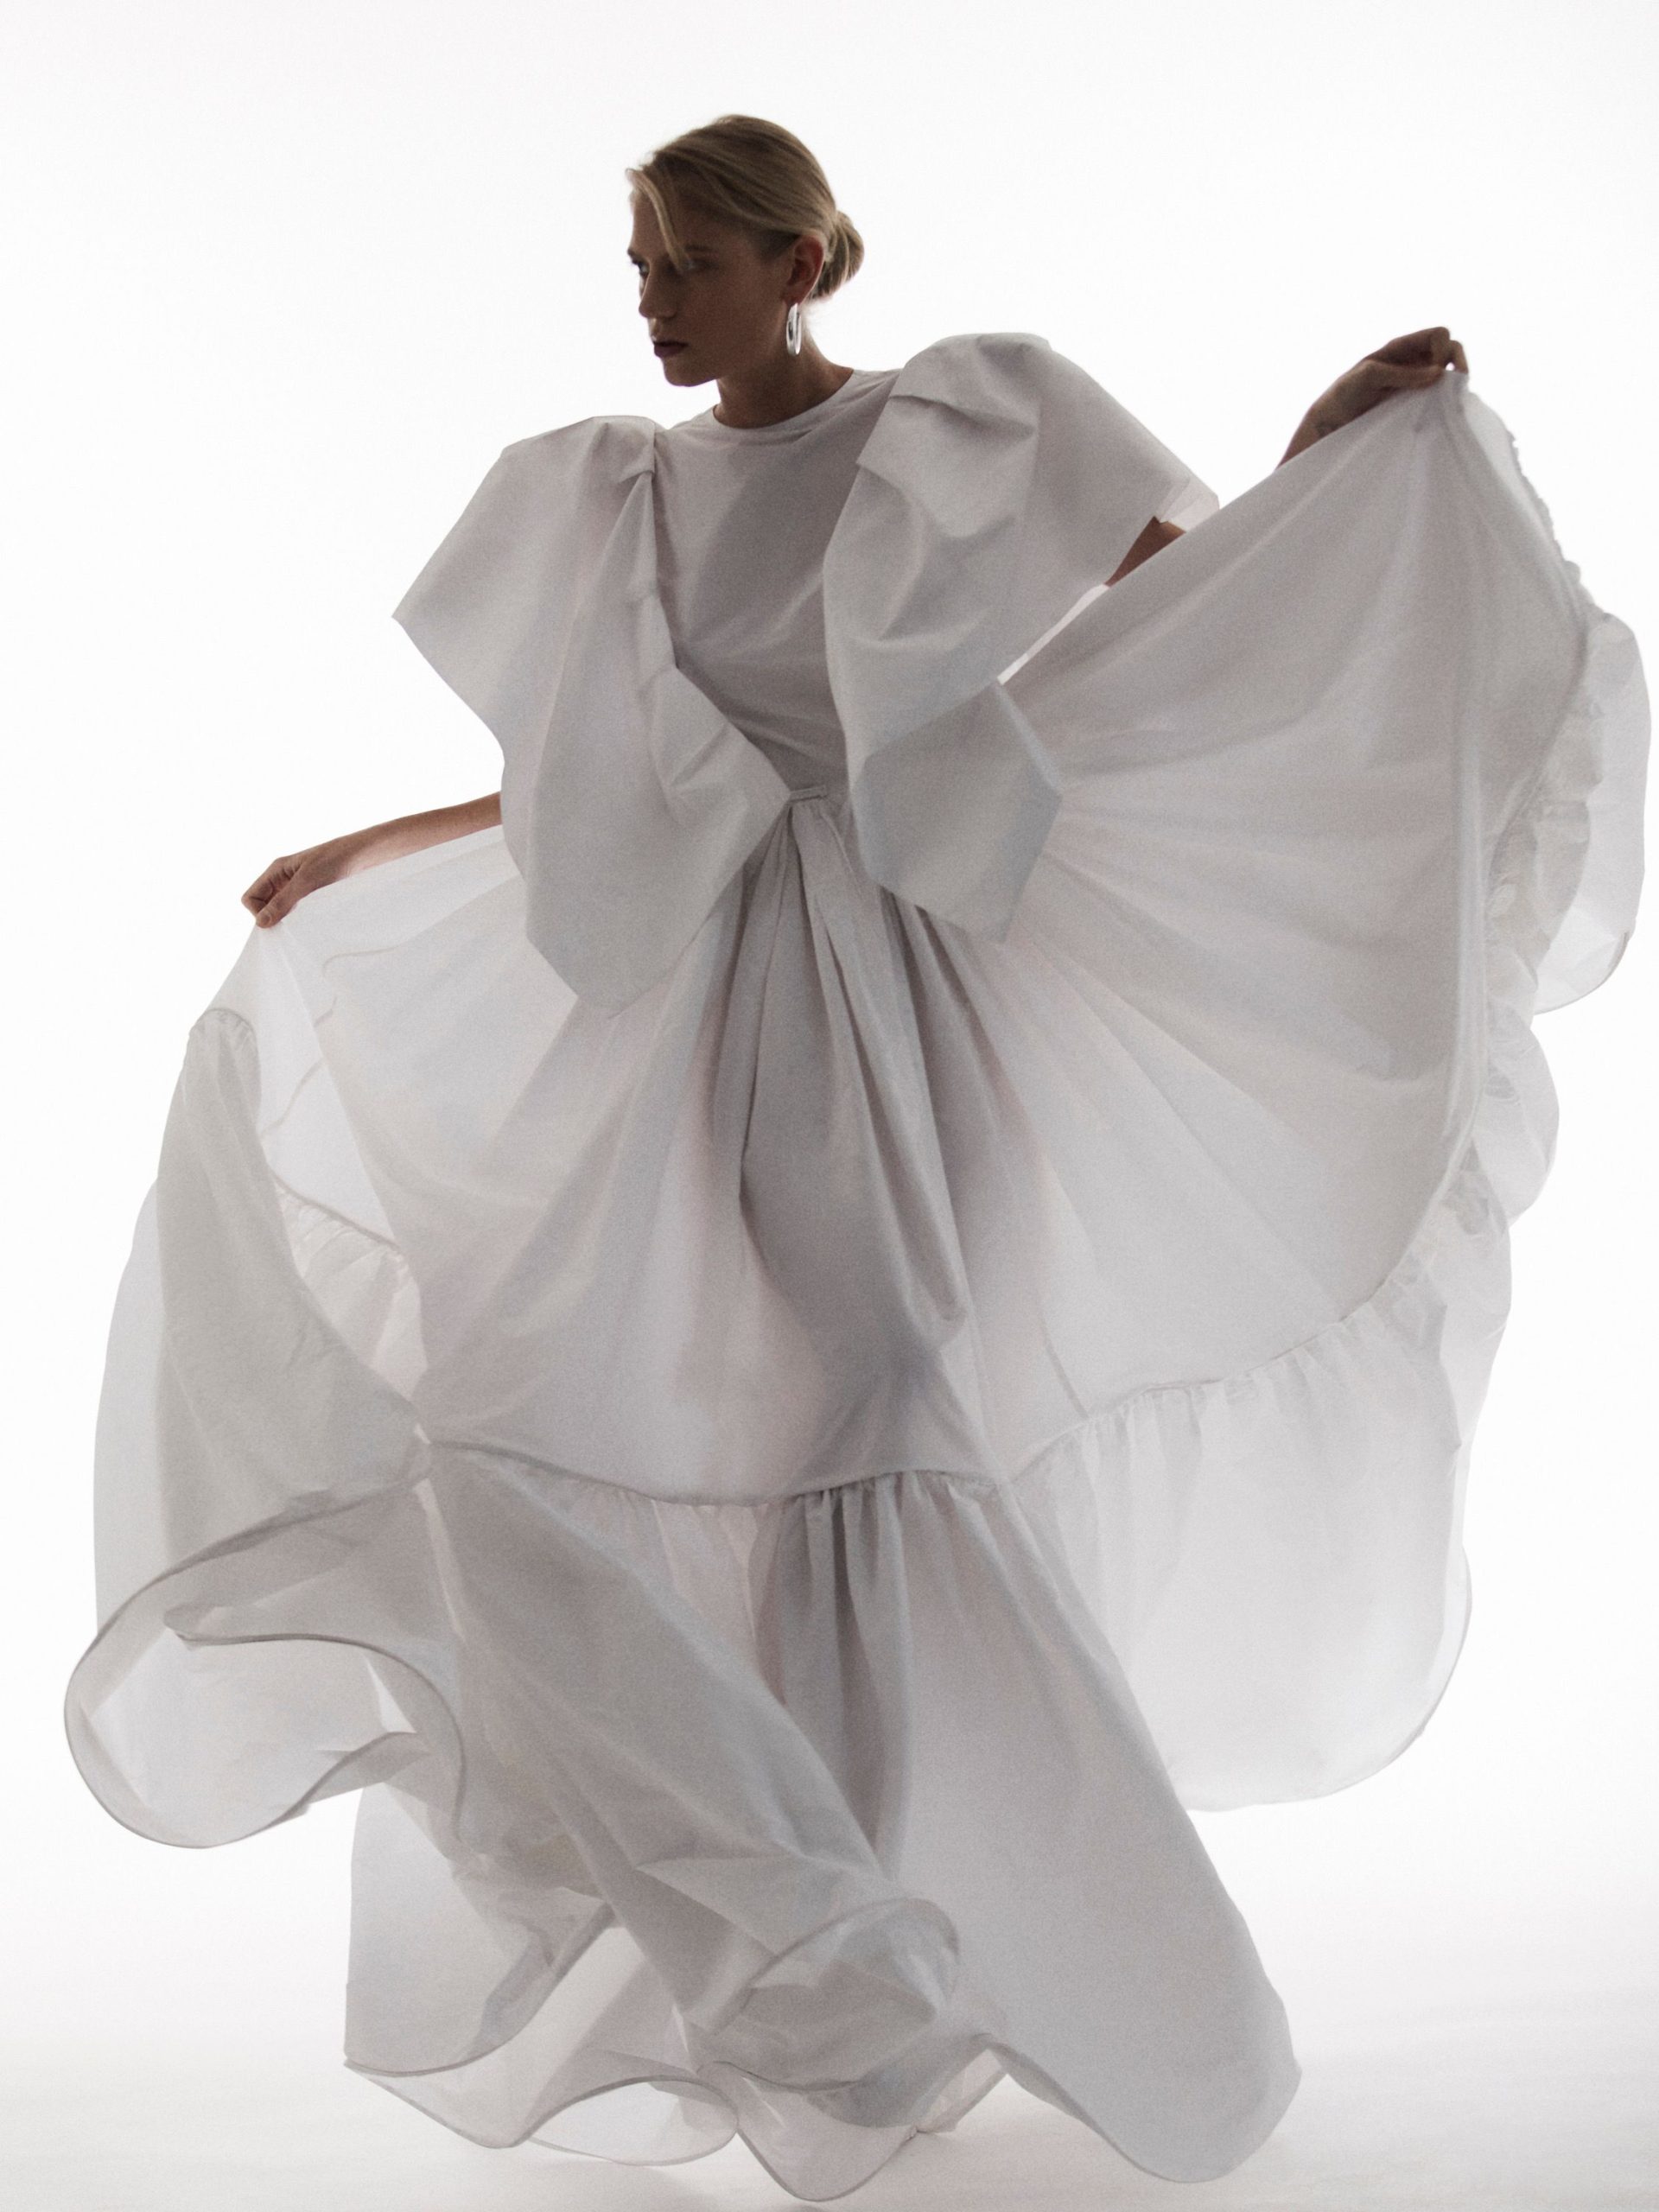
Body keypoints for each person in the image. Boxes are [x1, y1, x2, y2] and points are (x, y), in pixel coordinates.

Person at [64, 112, 1648, 2205]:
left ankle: (1025, 1959)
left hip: (896, 992)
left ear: (801, 261)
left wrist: (1331, 455)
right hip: (680, 1006)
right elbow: (600, 781)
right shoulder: (613, 492)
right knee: (552, 1427)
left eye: (689, 262)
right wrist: (365, 847)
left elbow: (1200, 617)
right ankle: (824, 1930)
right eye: (640, 266)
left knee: (882, 1427)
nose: (654, 302)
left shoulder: (959, 425)